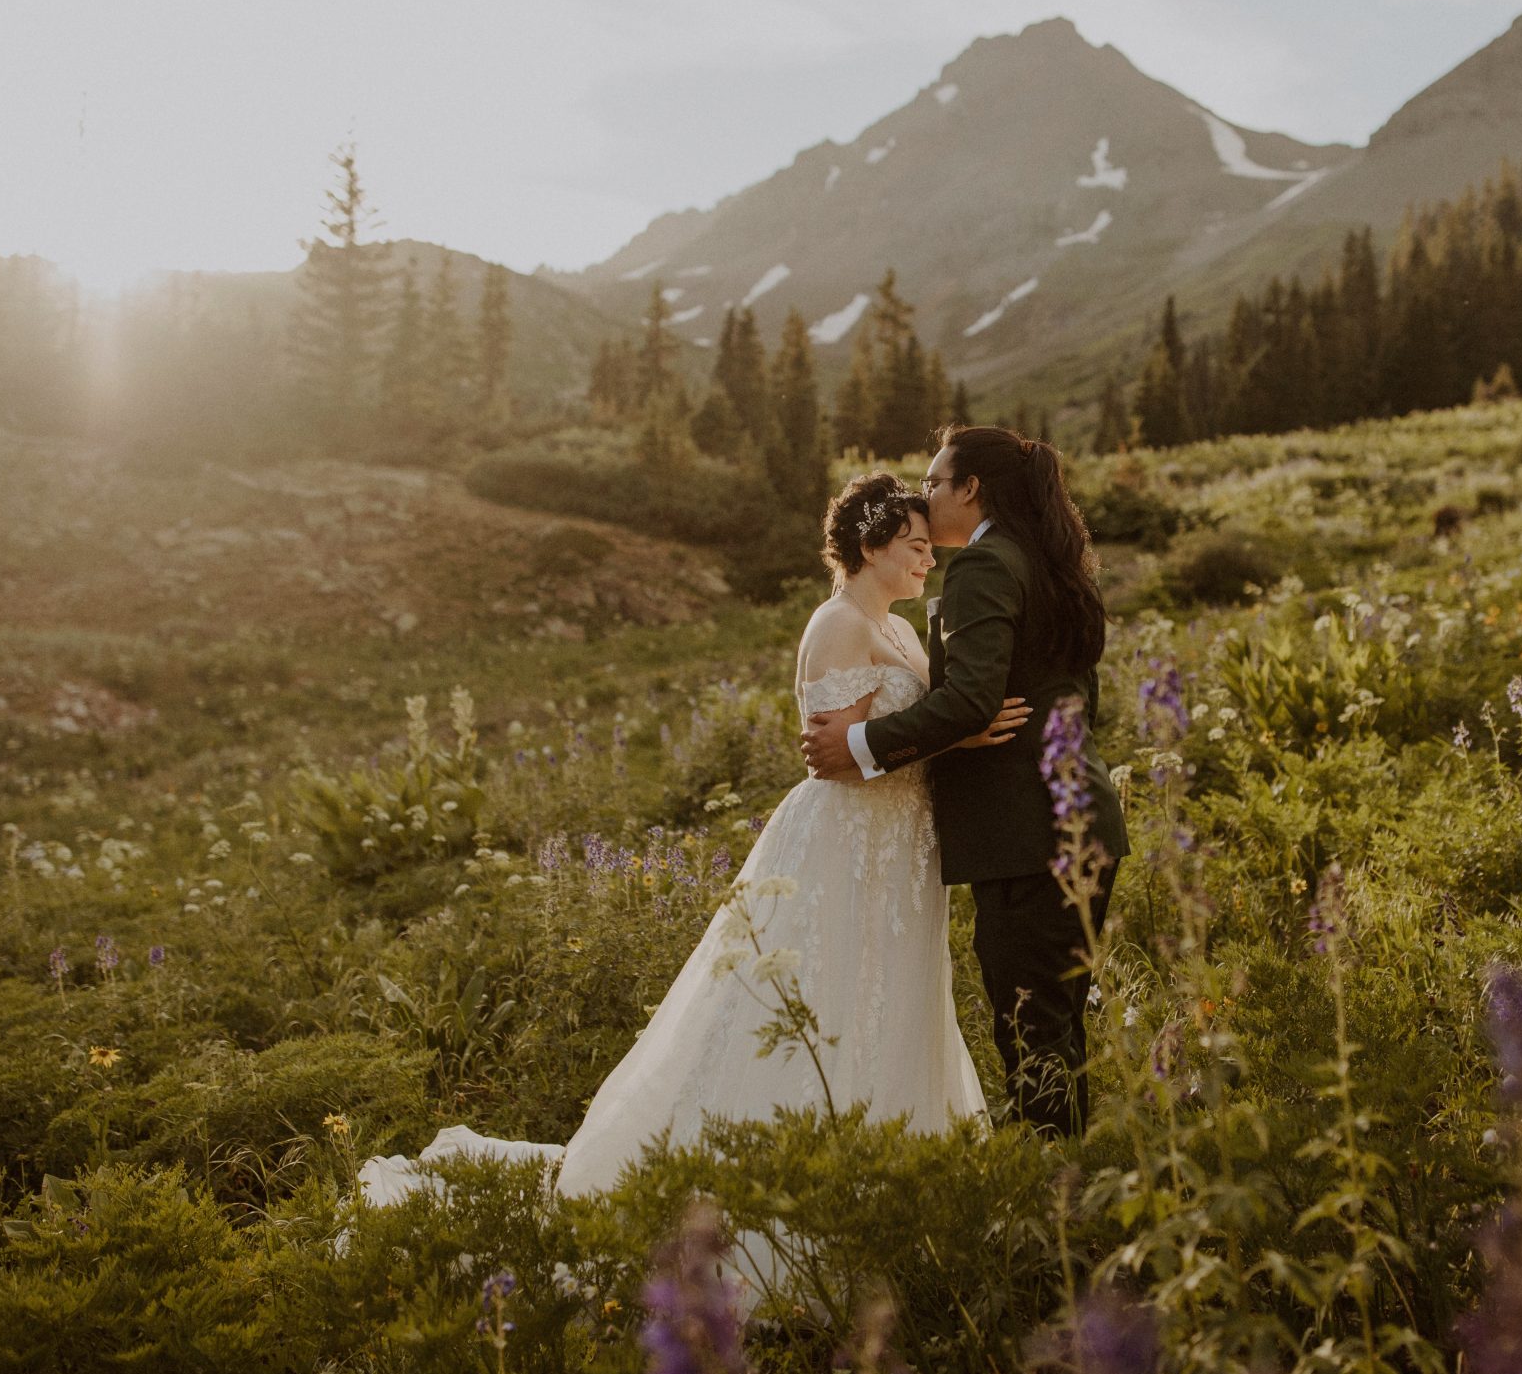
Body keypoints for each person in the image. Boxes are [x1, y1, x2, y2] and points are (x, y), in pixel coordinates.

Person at [361, 473, 1029, 1212]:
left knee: (893, 1002)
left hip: (903, 848)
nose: (925, 558)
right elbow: (844, 762)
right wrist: (957, 731)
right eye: (911, 545)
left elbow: (901, 733)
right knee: (828, 1000)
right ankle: (796, 1184)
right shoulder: (836, 626)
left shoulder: (900, 628)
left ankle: (894, 1168)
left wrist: (959, 729)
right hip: (850, 839)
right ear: (870, 547)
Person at [799, 424, 1128, 1138]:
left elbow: (975, 698)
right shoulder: (1045, 560)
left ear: (970, 488)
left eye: (933, 483)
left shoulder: (985, 565)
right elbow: (1076, 700)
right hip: (1079, 822)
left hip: (1027, 837)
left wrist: (856, 743)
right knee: (1059, 1028)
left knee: (1033, 1032)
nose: (924, 497)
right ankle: (1074, 1178)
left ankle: (1059, 1202)